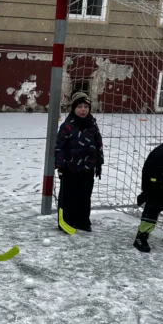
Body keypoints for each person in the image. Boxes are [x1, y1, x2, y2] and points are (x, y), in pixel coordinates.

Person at [54, 91, 104, 232]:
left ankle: (83, 221)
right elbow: (60, 147)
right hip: (71, 168)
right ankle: (66, 221)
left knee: (84, 196)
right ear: (74, 108)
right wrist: (61, 165)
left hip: (88, 168)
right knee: (68, 196)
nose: (83, 110)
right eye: (80, 107)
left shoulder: (92, 125)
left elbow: (98, 144)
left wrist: (98, 162)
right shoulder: (67, 126)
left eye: (86, 107)